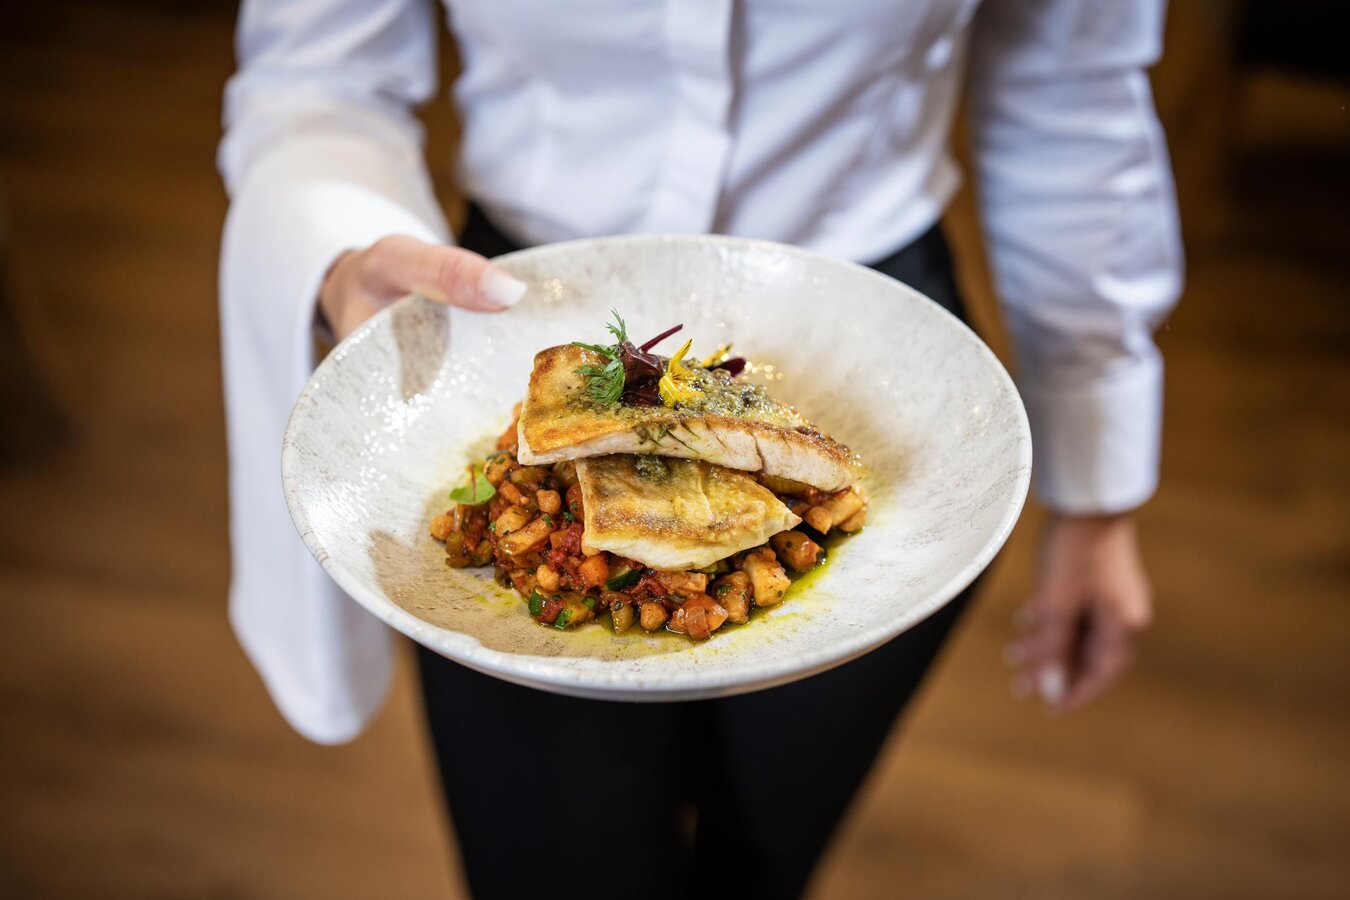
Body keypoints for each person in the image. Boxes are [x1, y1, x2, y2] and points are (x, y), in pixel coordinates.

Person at [218, 1, 1180, 897]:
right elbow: (315, 76)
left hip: (884, 339)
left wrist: (1097, 488)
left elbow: (1072, 84)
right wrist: (345, 250)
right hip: (510, 304)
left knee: (760, 863)